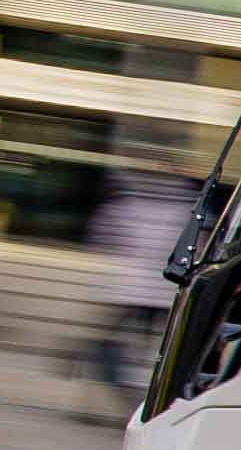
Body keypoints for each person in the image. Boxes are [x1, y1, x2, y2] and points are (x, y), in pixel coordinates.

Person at [82, 147, 193, 415]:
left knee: (112, 346)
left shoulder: (126, 205)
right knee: (147, 349)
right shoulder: (186, 211)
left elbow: (101, 238)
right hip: (160, 294)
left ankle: (127, 395)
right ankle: (138, 396)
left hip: (131, 292)